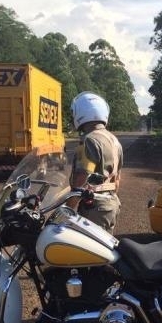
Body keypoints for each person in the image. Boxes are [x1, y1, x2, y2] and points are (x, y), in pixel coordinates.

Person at [69, 91, 123, 234]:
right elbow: (117, 179)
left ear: (80, 113)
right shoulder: (114, 140)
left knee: (87, 254)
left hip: (96, 207)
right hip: (112, 203)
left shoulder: (90, 140)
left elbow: (82, 178)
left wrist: (68, 208)